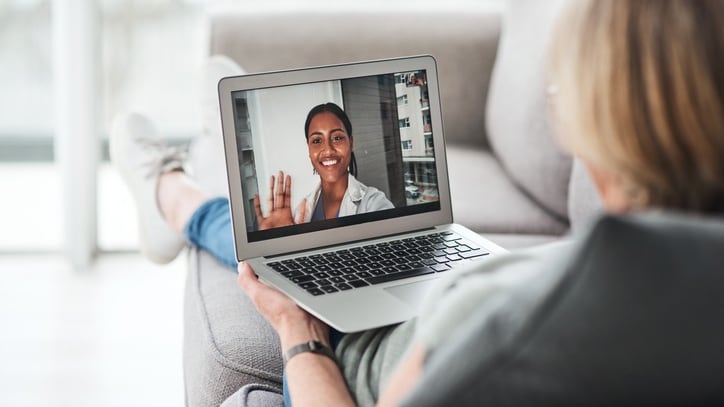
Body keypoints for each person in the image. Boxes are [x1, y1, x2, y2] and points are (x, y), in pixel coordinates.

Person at [111, 0, 724, 405]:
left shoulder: (500, 321)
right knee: (282, 236)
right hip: (458, 281)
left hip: (363, 351)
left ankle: (174, 193)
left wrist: (299, 330)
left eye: (561, 90)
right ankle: (183, 189)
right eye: (315, 141)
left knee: (276, 258)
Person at [253, 102, 394, 230]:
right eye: (317, 140)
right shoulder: (300, 213)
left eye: (337, 138)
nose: (328, 150)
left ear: (351, 143)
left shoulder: (374, 204)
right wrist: (284, 243)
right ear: (309, 149)